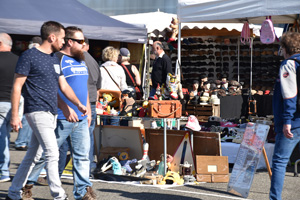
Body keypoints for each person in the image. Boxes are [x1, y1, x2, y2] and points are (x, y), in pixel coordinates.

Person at [6, 21, 87, 200]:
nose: (64, 42)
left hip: (51, 112)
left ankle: (13, 193)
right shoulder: (29, 56)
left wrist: (78, 104)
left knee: (33, 155)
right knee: (52, 152)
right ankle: (59, 195)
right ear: (52, 37)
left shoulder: (54, 59)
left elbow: (63, 86)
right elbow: (17, 86)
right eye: (62, 38)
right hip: (36, 110)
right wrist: (14, 115)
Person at [270, 32, 300, 200]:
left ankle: (275, 199)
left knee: (280, 162)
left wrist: (287, 120)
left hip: (293, 122)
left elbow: (289, 95)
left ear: (285, 48)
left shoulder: (289, 64)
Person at [15, 36, 42, 151]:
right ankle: (21, 141)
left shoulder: (26, 55)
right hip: (30, 92)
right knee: (28, 118)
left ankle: (24, 141)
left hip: (29, 92)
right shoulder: (31, 56)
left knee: (29, 118)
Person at [0, 33, 19, 183]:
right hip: (14, 103)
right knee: (4, 137)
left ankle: (4, 170)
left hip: (1, 103)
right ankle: (4, 170)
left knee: (2, 138)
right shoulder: (18, 60)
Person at [83, 37, 101, 173]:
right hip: (92, 101)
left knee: (80, 137)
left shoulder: (77, 60)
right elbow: (98, 86)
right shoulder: (94, 62)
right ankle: (87, 167)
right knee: (88, 136)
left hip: (82, 102)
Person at [99, 46, 127, 126]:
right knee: (114, 123)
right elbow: (123, 86)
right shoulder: (119, 69)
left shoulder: (101, 69)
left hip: (103, 99)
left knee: (102, 124)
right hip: (116, 99)